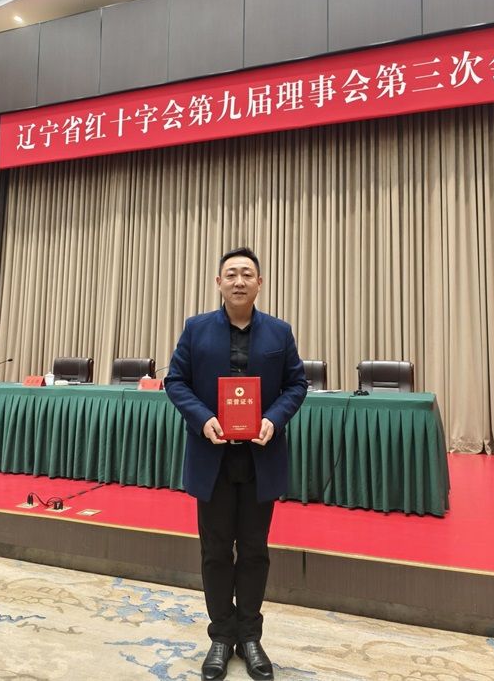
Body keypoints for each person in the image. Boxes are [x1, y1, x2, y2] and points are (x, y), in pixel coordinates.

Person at [164, 247, 307, 681]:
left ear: (259, 283)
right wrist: (203, 418)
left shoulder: (279, 332)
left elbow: (296, 384)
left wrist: (273, 419)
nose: (239, 281)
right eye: (231, 274)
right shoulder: (196, 329)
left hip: (260, 458)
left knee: (255, 551)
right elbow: (176, 381)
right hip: (213, 458)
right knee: (214, 552)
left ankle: (250, 635)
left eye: (247, 274)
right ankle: (221, 636)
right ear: (219, 283)